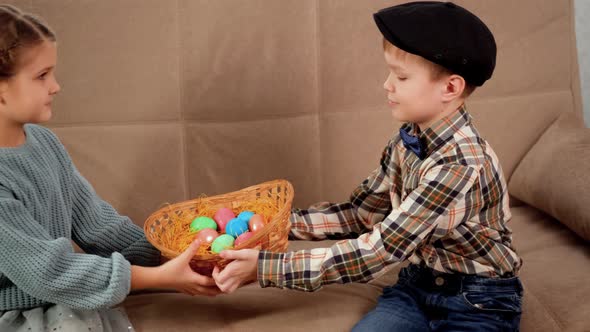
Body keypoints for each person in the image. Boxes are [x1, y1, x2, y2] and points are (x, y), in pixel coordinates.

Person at [213, 2, 523, 331]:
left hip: (479, 299)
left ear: (450, 88)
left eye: (401, 76)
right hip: (416, 286)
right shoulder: (406, 142)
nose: (387, 85)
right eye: (390, 73)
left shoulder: (459, 164)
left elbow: (378, 252)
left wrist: (266, 268)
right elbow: (362, 216)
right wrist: (274, 226)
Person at [0, 5, 219, 331]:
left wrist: (170, 256)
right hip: (19, 311)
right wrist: (157, 277)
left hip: (59, 298)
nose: (56, 86)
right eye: (42, 76)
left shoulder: (46, 144)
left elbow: (100, 226)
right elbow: (47, 271)